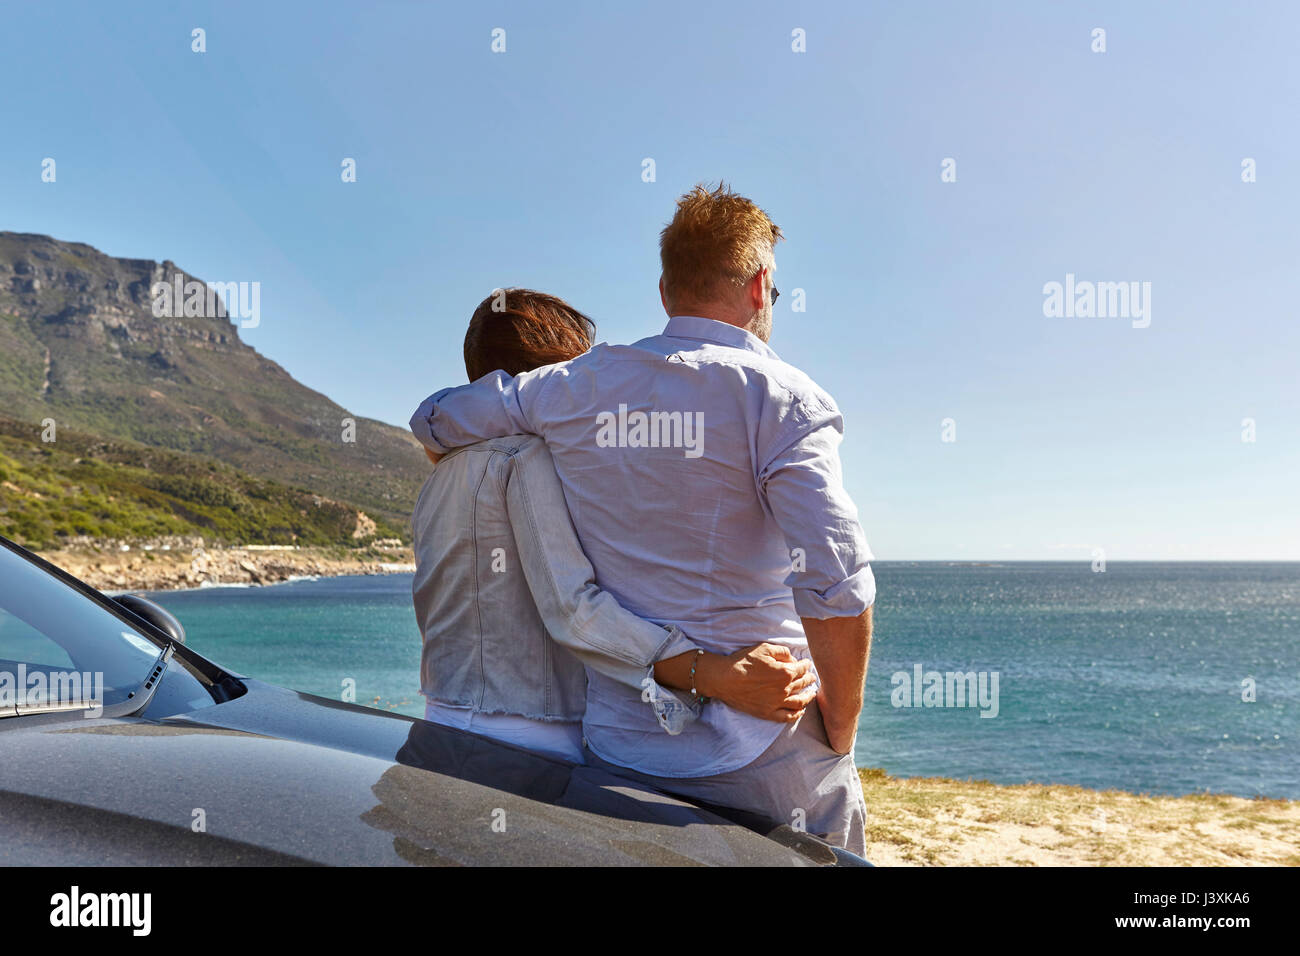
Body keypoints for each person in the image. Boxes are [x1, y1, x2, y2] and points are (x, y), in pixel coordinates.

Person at [410, 185, 876, 854]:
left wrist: (446, 443)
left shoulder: (570, 387)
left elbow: (436, 416)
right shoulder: (785, 399)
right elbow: (835, 582)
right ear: (760, 285)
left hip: (621, 745)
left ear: (664, 291)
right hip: (765, 743)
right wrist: (841, 729)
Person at [411, 287, 817, 764]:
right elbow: (572, 610)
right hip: (528, 736)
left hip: (441, 717)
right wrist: (714, 674)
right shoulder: (527, 459)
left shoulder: (440, 474)